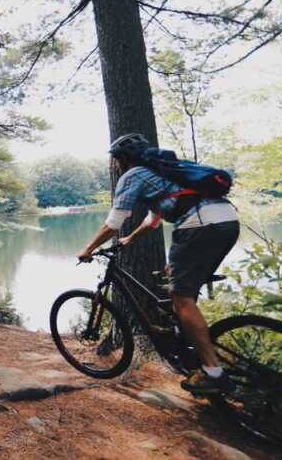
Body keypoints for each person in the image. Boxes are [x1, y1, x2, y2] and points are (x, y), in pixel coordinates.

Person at [77, 133, 239, 395]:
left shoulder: (132, 175)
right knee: (173, 273)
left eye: (116, 160)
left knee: (182, 295)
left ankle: (213, 373)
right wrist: (131, 238)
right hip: (227, 222)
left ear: (123, 159)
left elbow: (114, 221)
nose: (116, 165)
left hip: (200, 225)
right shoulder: (160, 173)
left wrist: (88, 249)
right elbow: (154, 217)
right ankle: (180, 332)